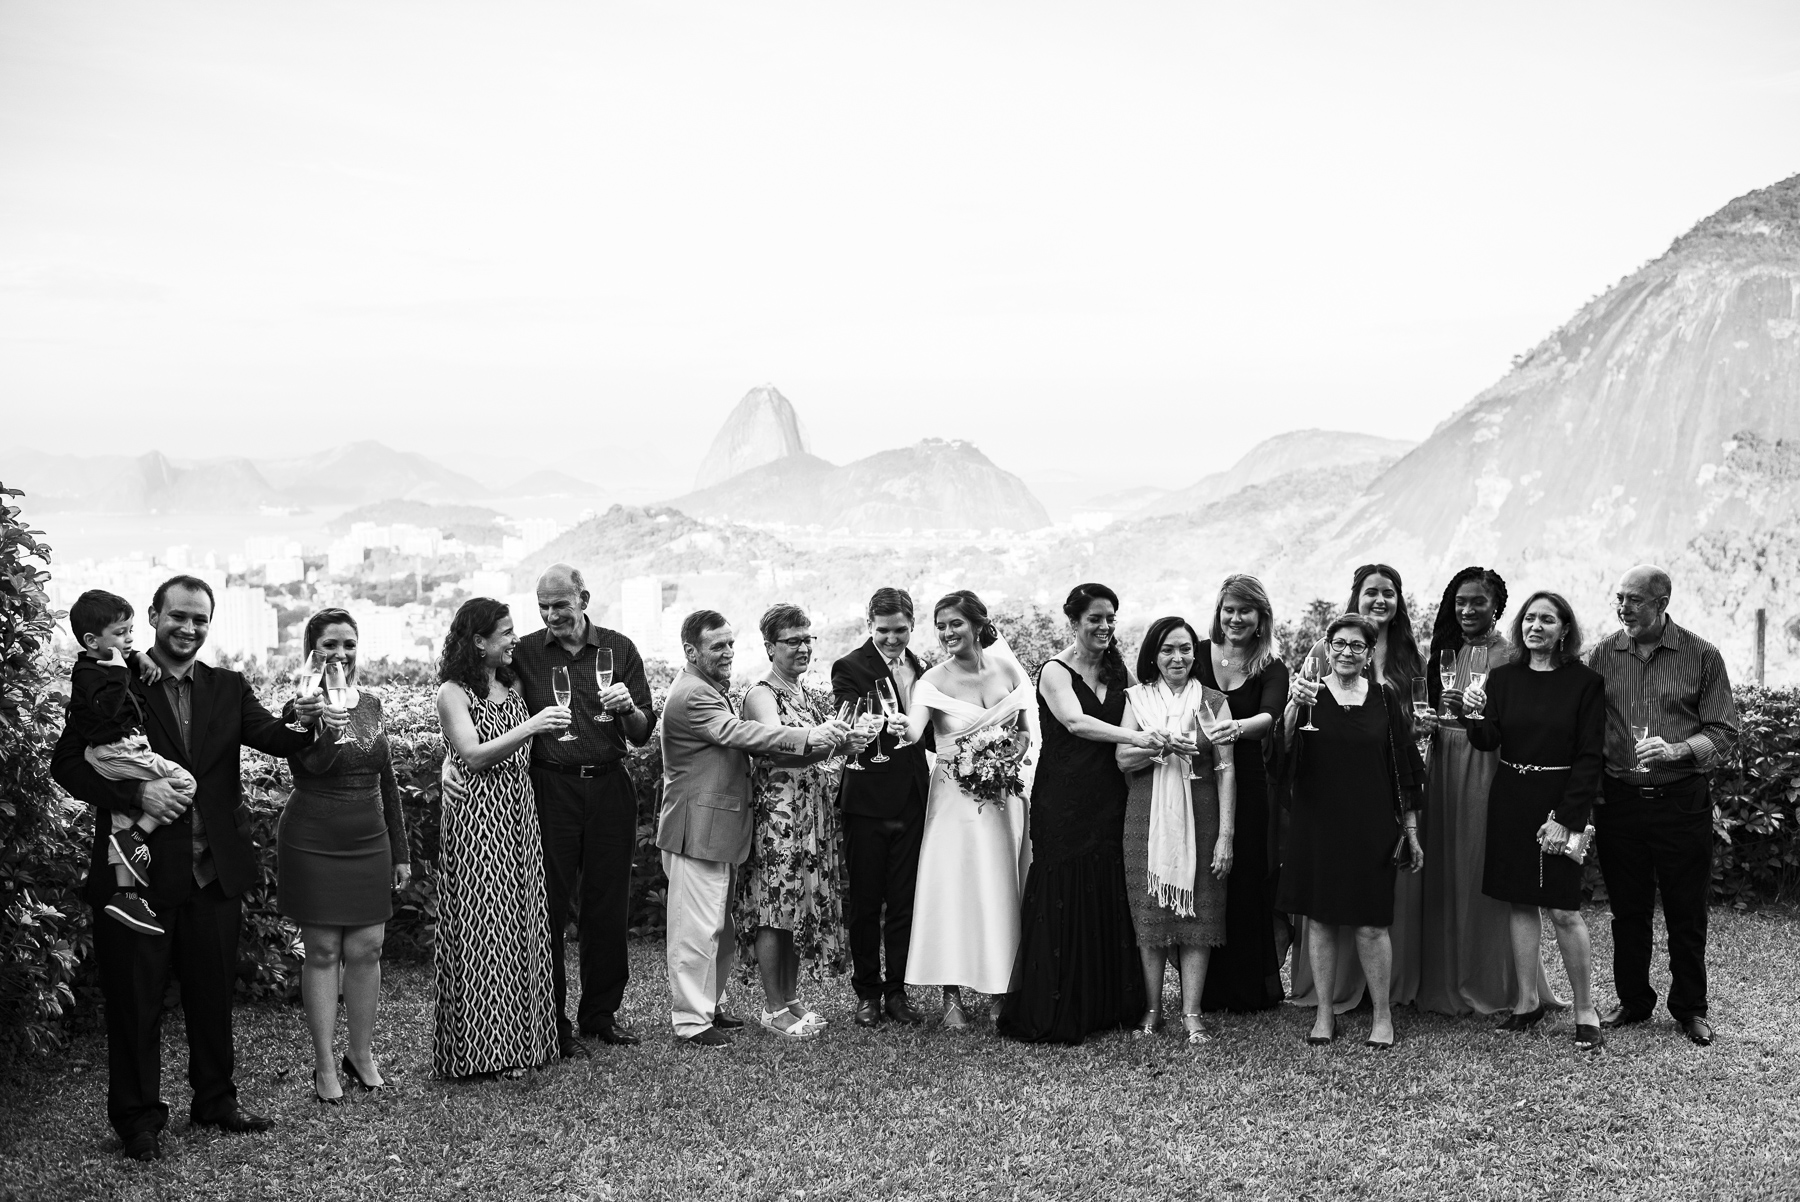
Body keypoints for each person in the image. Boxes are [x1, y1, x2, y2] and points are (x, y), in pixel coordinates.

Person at [51, 575, 321, 1161]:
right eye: (178, 616)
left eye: (200, 619)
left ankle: (216, 1100)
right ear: (152, 615)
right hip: (137, 875)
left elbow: (277, 738)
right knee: (134, 1001)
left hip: (212, 872)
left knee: (211, 995)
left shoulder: (228, 686)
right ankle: (138, 1120)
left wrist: (302, 719)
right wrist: (134, 798)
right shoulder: (115, 677)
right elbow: (67, 764)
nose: (189, 628)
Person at [656, 610, 848, 1047]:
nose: (726, 652)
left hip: (717, 827)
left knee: (716, 928)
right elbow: (740, 733)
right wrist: (808, 737)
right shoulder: (695, 695)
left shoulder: (708, 688)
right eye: (716, 646)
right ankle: (691, 1021)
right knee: (696, 930)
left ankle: (710, 1007)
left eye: (729, 644)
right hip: (696, 827)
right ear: (691, 651)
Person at [505, 564, 657, 1055]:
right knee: (547, 906)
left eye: (560, 605)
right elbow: (478, 702)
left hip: (610, 785)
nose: (551, 615)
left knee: (607, 906)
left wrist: (628, 707)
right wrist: (450, 755)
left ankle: (600, 1016)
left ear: (584, 598)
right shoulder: (525, 652)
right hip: (550, 788)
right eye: (543, 607)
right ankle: (553, 1024)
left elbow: (640, 733)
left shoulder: (620, 648)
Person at [1585, 565, 1738, 1047]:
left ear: (1662, 603)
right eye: (1619, 598)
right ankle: (1633, 1002)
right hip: (1621, 802)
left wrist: (1677, 750)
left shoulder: (1702, 654)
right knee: (1627, 911)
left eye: (1634, 600)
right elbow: (1586, 725)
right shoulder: (1603, 654)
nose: (1624, 608)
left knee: (1685, 910)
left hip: (1681, 800)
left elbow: (1725, 733)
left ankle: (1690, 1008)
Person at [1000, 584, 1154, 1045]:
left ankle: (1106, 1005)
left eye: (1111, 618)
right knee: (1062, 892)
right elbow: (1074, 722)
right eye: (1095, 619)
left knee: (1106, 888)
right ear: (1074, 622)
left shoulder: (1116, 668)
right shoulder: (1053, 670)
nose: (1105, 627)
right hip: (1063, 799)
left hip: (1110, 796)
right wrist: (1138, 740)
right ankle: (1056, 1006)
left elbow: (1132, 713)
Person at [1461, 591, 1607, 1051]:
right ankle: (1527, 1002)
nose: (1535, 626)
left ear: (1565, 629)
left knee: (1564, 909)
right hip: (1510, 797)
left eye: (1547, 619)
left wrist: (1567, 819)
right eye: (1529, 618)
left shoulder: (1585, 683)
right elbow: (1488, 742)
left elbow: (1589, 758)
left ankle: (1586, 1009)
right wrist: (1473, 712)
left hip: (1559, 800)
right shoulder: (1502, 679)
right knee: (1518, 902)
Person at [277, 609, 411, 1102]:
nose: (341, 653)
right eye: (330, 644)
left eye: (349, 644)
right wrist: (320, 717)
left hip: (368, 839)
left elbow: (388, 779)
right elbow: (314, 766)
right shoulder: (301, 709)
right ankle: (325, 1065)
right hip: (313, 839)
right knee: (325, 952)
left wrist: (400, 851)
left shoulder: (373, 702)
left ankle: (361, 1054)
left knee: (367, 949)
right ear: (312, 650)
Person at [1280, 613, 1426, 1047]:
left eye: (1356, 646)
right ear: (1326, 647)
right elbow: (1280, 752)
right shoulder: (1307, 694)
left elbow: (1405, 769)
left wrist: (1411, 830)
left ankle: (1383, 1015)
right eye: (1338, 644)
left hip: (1372, 825)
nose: (1346, 652)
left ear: (1368, 653)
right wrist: (1292, 706)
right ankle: (1324, 1014)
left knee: (1371, 924)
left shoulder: (1385, 697)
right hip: (1317, 824)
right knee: (1321, 921)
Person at [432, 598, 564, 1078]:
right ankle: (482, 1053)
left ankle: (523, 1046)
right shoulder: (453, 692)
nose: (514, 639)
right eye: (505, 633)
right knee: (483, 932)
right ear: (478, 641)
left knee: (519, 927)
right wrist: (533, 725)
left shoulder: (512, 682)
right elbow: (471, 754)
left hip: (519, 816)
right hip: (477, 822)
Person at [1414, 566, 1551, 1017]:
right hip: (1443, 761)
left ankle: (1491, 978)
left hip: (1484, 764)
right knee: (1444, 864)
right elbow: (1432, 706)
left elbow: (1519, 721)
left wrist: (1477, 714)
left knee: (1477, 865)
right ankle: (1444, 977)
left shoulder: (1511, 656)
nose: (1468, 609)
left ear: (1497, 607)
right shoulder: (1444, 652)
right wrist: (1434, 718)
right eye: (1460, 602)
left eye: (1477, 602)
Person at [900, 590, 1035, 1028]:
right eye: (940, 625)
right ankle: (951, 997)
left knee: (1000, 887)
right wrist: (891, 722)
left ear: (978, 624)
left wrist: (1011, 750)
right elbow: (913, 729)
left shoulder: (1008, 669)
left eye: (955, 623)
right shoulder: (931, 682)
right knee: (954, 887)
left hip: (1003, 799)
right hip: (954, 801)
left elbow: (1024, 732)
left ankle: (1001, 989)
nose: (946, 633)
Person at [734, 603, 859, 1038]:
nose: (804, 647)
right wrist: (831, 746)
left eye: (808, 639)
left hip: (809, 814)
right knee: (774, 907)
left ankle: (788, 998)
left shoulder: (803, 692)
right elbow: (774, 747)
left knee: (794, 907)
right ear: (770, 647)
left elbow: (813, 751)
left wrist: (842, 747)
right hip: (779, 817)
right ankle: (772, 1007)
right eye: (793, 641)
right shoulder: (762, 694)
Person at [1116, 614, 1235, 1044]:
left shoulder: (1214, 701)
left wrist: (1226, 835)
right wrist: (1160, 743)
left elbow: (1225, 768)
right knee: (1150, 914)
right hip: (1145, 817)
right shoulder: (1137, 699)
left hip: (1203, 818)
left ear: (1195, 653)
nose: (1178, 657)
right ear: (1154, 654)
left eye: (1185, 648)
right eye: (1167, 649)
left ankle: (1191, 1011)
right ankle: (1151, 1009)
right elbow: (1123, 760)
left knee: (1200, 910)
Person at [830, 588, 935, 1028]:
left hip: (913, 798)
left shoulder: (924, 670)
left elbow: (929, 735)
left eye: (901, 630)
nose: (893, 639)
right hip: (867, 800)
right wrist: (868, 727)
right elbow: (848, 720)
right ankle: (867, 993)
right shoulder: (849, 667)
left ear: (912, 625)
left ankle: (898, 992)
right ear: (869, 625)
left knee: (905, 901)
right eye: (884, 631)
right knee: (867, 903)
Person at [63, 589, 192, 937]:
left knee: (121, 820)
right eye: (121, 633)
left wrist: (136, 658)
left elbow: (125, 654)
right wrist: (123, 670)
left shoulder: (113, 659)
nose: (130, 638)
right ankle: (138, 835)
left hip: (114, 753)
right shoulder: (89, 674)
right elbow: (105, 707)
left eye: (130, 630)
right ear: (92, 640)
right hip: (117, 750)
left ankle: (126, 894)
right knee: (185, 783)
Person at [1192, 574, 1287, 1013]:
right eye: (1229, 608)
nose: (1235, 618)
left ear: (1260, 617)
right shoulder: (1193, 654)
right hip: (1194, 776)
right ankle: (1204, 988)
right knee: (1203, 877)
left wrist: (1235, 728)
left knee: (1245, 879)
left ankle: (1247, 988)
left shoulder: (1272, 667)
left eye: (1245, 610)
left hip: (1249, 781)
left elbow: (1269, 718)